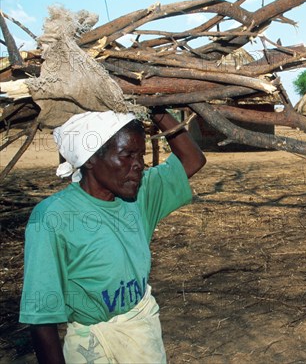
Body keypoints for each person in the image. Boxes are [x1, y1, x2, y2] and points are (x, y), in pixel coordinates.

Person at [19, 107, 206, 363]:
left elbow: (193, 160)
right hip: (90, 348)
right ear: (91, 159)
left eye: (140, 155)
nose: (139, 165)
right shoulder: (53, 217)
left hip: (141, 336)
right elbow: (42, 318)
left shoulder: (139, 194)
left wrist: (156, 109)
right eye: (127, 155)